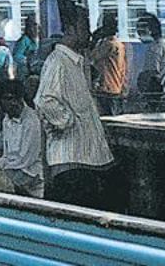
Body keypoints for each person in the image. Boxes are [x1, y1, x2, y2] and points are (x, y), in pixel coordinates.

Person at [34, 14, 114, 206]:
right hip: (71, 161)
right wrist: (66, 121)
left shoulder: (77, 62)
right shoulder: (58, 62)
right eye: (84, 28)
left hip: (88, 159)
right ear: (70, 30)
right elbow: (45, 100)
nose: (89, 33)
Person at [0, 80, 44, 197]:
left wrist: (3, 172)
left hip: (30, 174)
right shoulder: (6, 120)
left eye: (14, 99)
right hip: (12, 169)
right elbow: (6, 155)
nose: (13, 103)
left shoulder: (32, 121)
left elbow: (26, 160)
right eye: (8, 99)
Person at [136, 12, 165, 105]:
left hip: (158, 101)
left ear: (148, 30)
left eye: (140, 31)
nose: (138, 35)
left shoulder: (153, 50)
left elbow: (152, 77)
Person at [90, 13, 127, 116]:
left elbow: (91, 57)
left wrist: (94, 40)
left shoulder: (107, 45)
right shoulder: (120, 45)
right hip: (116, 88)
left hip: (105, 88)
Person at [11, 16, 39, 80]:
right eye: (32, 26)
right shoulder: (24, 40)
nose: (35, 28)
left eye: (36, 25)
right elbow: (16, 56)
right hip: (25, 71)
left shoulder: (37, 40)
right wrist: (27, 59)